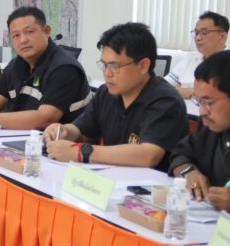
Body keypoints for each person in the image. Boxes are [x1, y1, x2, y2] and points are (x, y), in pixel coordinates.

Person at [43, 22, 188, 170]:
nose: (107, 73)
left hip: (152, 183)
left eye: (115, 66)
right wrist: (64, 131)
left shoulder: (165, 101)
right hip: (113, 177)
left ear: (143, 65)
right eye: (104, 65)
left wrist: (80, 152)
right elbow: (82, 130)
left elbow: (148, 155)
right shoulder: (106, 93)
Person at [0, 6, 91, 130]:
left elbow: (46, 118)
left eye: (29, 32)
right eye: (16, 35)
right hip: (23, 138)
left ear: (46, 31)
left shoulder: (64, 68)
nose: (23, 40)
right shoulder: (17, 64)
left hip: (61, 142)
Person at [168, 51, 230, 211]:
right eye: (199, 101)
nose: (202, 112)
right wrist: (189, 172)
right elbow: (181, 154)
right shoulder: (211, 126)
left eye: (209, 102)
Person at [165, 11, 228, 100]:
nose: (198, 38)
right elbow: (163, 86)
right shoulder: (190, 58)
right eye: (196, 33)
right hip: (180, 107)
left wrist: (189, 92)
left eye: (204, 33)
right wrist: (190, 92)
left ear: (222, 36)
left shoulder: (227, 62)